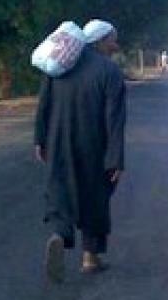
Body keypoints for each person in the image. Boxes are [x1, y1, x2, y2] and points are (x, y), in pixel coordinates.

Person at [35, 27, 127, 281]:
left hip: (56, 140)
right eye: (113, 41)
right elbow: (114, 119)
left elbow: (44, 104)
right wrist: (116, 158)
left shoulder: (59, 64)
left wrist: (40, 139)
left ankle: (59, 234)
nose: (116, 46)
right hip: (94, 143)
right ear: (101, 41)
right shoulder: (109, 71)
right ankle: (90, 257)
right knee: (95, 196)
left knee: (59, 189)